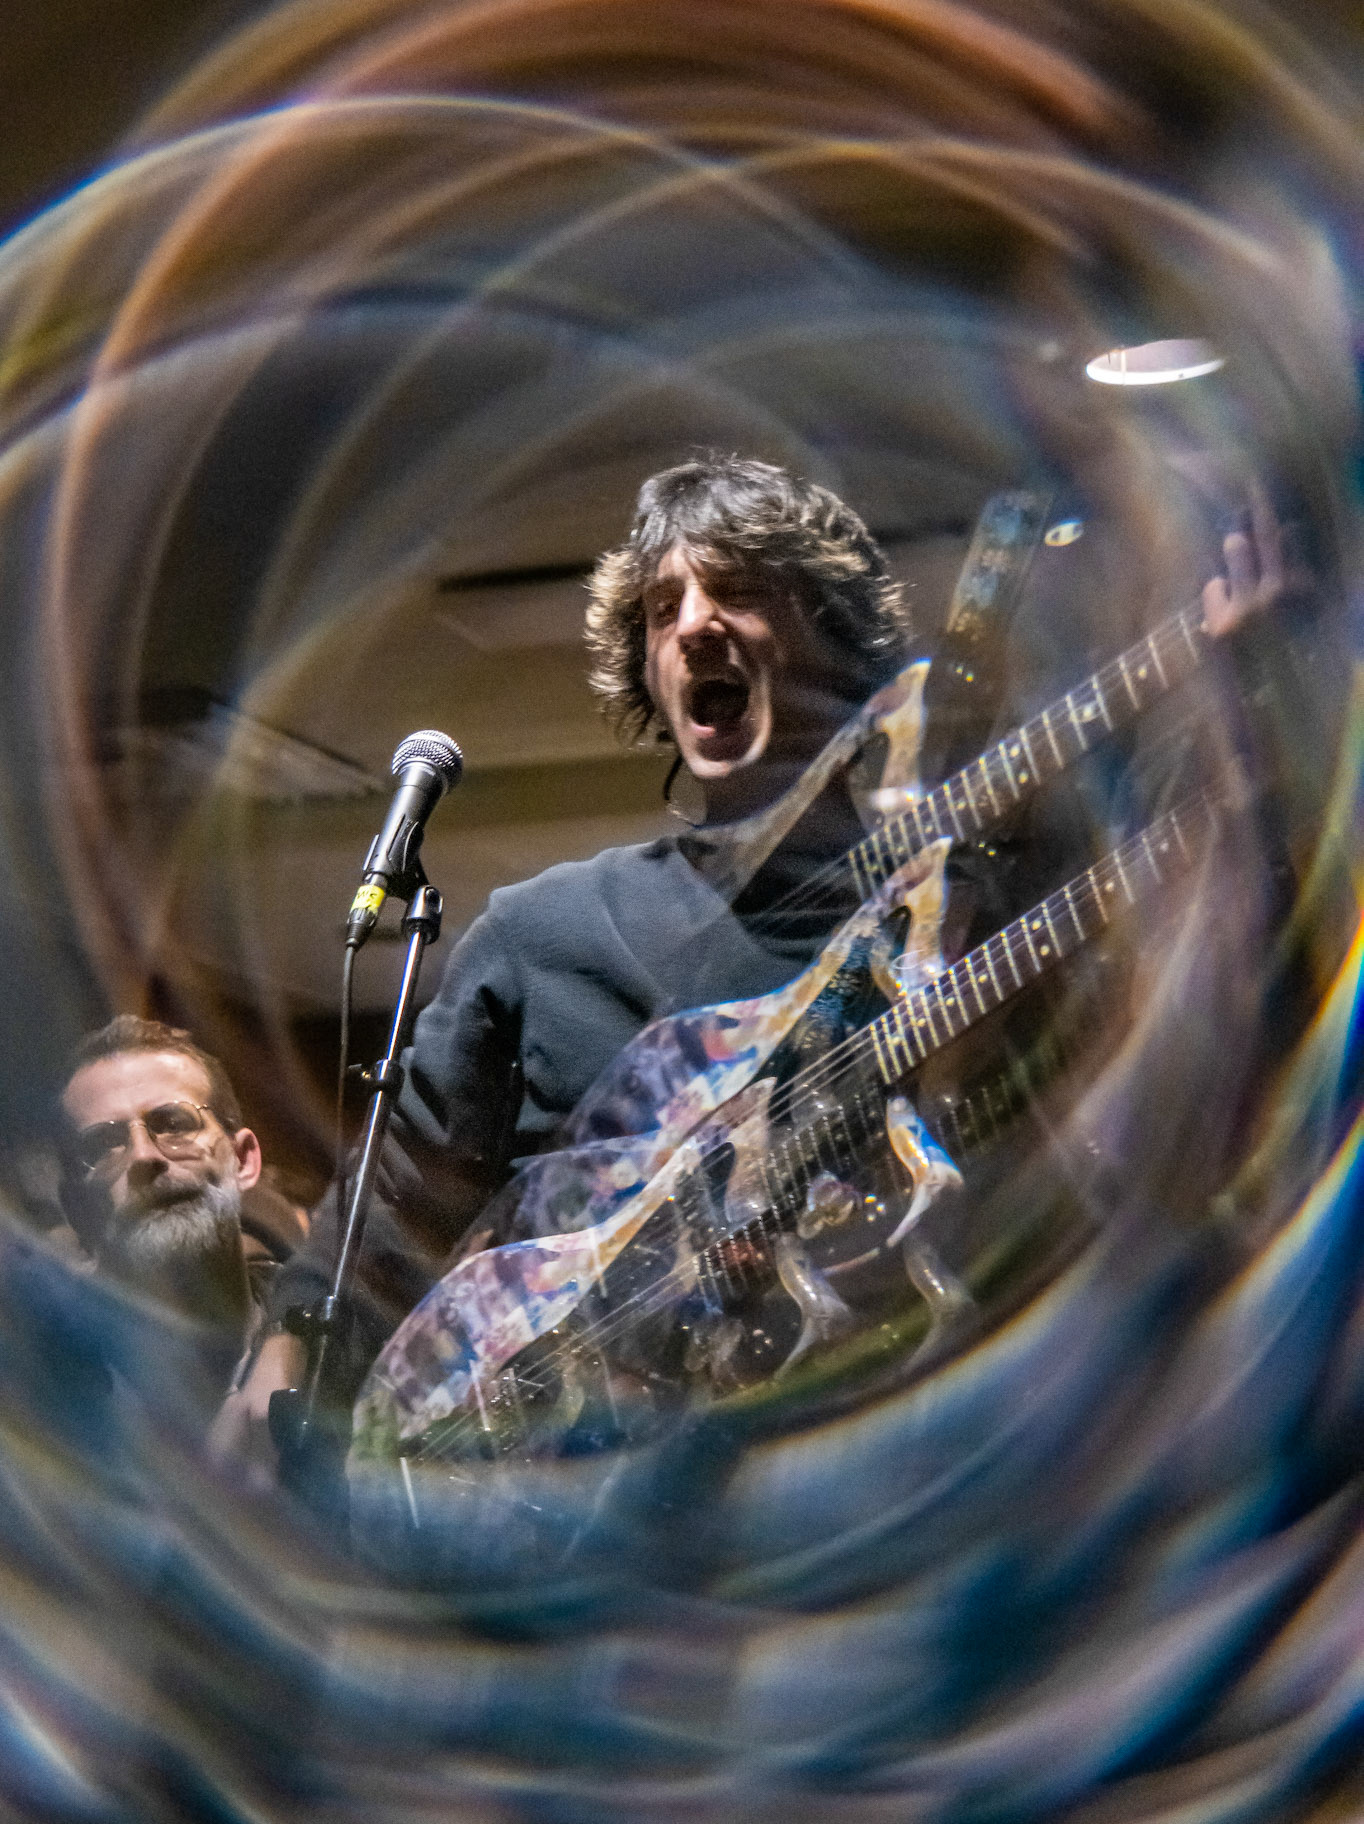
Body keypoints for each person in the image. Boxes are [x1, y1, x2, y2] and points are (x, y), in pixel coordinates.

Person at [218, 450, 1286, 1477]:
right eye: (661, 608)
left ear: (831, 634)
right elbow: (395, 1203)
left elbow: (1198, 1029)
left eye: (736, 589)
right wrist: (281, 1360)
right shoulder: (546, 935)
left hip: (921, 1459)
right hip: (592, 1504)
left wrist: (1256, 706)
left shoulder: (976, 903)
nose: (693, 622)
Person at [58, 1015, 289, 1412]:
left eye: (174, 1123)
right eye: (103, 1145)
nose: (143, 1156)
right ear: (76, 1207)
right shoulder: (39, 1395)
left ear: (243, 1160)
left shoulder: (337, 1343)